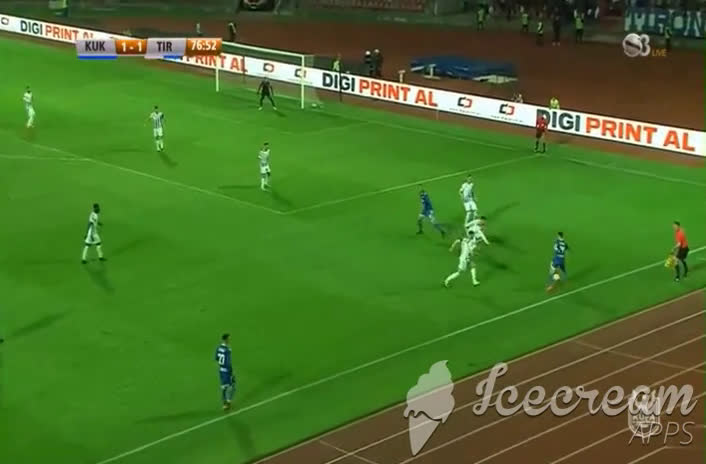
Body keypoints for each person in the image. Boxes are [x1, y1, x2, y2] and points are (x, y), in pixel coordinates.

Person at [444, 218, 489, 288]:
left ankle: (474, 281)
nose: (472, 236)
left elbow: (457, 241)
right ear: (470, 235)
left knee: (473, 266)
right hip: (463, 259)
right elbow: (470, 249)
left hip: (466, 258)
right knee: (459, 272)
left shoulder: (465, 239)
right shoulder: (470, 242)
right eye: (472, 235)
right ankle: (447, 280)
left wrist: (452, 247)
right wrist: (474, 252)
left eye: (473, 235)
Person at [215, 333, 235, 410]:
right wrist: (231, 372)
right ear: (226, 339)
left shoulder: (218, 348)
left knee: (223, 387)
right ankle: (228, 402)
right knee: (232, 386)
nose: (229, 340)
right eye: (229, 339)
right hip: (227, 371)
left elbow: (216, 358)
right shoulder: (227, 350)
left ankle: (224, 403)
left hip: (221, 370)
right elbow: (228, 363)